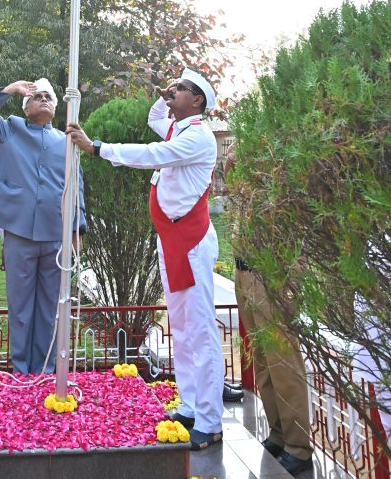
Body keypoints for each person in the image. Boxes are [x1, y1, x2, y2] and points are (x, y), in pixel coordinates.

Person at [68, 68, 224, 451]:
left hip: (190, 242)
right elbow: (156, 118)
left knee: (200, 332)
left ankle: (210, 420)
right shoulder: (177, 127)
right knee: (182, 329)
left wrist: (98, 148)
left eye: (182, 89)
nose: (174, 94)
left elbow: (154, 154)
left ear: (198, 100)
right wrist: (166, 94)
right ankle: (189, 406)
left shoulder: (198, 136)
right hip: (173, 240)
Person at [0, 78, 86, 375]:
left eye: (48, 96)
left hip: (56, 233)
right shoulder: (11, 130)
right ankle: (22, 368)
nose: (44, 100)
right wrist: (11, 89)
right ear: (26, 108)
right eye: (36, 96)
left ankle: (46, 369)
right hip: (20, 232)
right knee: (21, 306)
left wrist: (77, 230)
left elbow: (77, 186)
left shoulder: (66, 141)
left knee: (50, 305)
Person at [224, 142, 313, 475]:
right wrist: (236, 161)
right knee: (261, 358)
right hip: (244, 270)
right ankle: (278, 433)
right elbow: (233, 181)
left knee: (282, 361)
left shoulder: (283, 166)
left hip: (274, 275)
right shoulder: (249, 181)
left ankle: (298, 446)